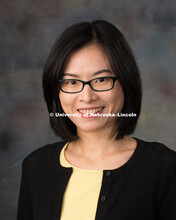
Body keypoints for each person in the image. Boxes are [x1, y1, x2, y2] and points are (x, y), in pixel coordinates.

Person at [17, 20, 176, 220]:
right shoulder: (37, 167)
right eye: (72, 82)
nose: (87, 96)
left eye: (101, 79)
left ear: (126, 82)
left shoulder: (164, 168)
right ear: (56, 90)